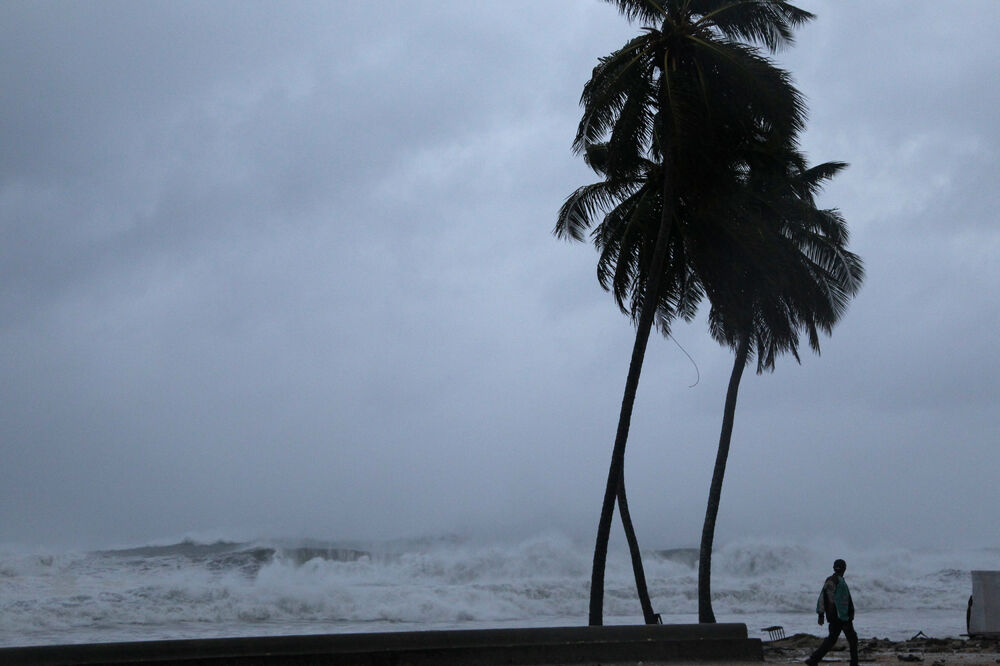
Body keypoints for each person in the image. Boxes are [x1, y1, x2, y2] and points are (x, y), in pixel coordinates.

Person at [805, 559, 858, 666]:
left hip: (834, 617)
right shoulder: (839, 582)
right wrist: (846, 616)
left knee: (831, 639)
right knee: (852, 639)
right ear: (844, 568)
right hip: (842, 617)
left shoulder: (831, 580)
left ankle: (813, 660)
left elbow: (822, 598)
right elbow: (842, 602)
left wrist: (821, 614)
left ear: (834, 568)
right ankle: (854, 663)